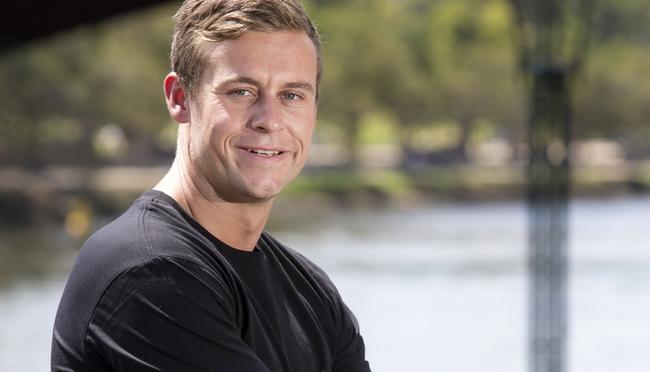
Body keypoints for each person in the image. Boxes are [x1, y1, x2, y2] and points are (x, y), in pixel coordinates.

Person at [51, 1, 371, 371]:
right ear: (179, 98)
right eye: (241, 92)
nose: (269, 120)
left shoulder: (312, 292)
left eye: (291, 95)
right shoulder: (149, 273)